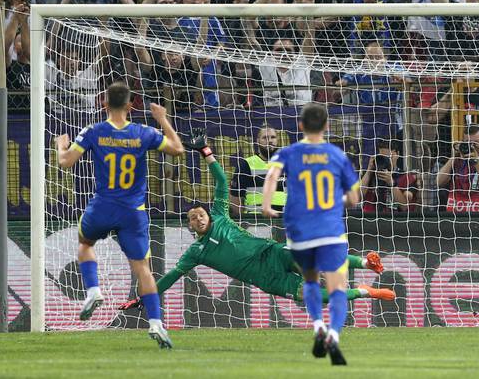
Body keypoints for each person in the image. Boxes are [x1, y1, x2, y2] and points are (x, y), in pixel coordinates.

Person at [121, 129, 392, 312]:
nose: (199, 217)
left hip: (271, 254)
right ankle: (364, 291)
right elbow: (170, 277)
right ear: (190, 226)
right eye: (193, 218)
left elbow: (222, 182)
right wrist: (144, 298)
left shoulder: (220, 214)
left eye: (200, 213)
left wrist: (206, 152)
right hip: (265, 278)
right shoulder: (195, 252)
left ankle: (366, 262)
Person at [55, 82, 184, 348]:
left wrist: (61, 145)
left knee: (85, 243)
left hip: (103, 206)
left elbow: (66, 162)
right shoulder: (143, 132)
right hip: (133, 212)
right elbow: (177, 148)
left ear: (104, 103)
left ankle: (93, 290)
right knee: (142, 269)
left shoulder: (94, 131)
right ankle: (156, 324)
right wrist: (162, 119)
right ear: (130, 106)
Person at [262, 103, 360, 365]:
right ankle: (334, 336)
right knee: (338, 288)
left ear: (301, 126)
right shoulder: (337, 155)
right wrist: (336, 198)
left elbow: (271, 176)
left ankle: (317, 324)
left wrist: (266, 205)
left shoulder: (289, 152)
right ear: (327, 126)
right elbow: (354, 198)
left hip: (300, 231)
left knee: (310, 280)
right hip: (330, 231)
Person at [437, 124, 479, 213]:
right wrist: (455, 156)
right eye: (468, 143)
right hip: (456, 213)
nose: (472, 146)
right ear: (463, 142)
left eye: (476, 143)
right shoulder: (456, 161)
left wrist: (476, 161)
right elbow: (439, 181)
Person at [230, 125, 285, 216]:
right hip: (257, 221)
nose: (270, 141)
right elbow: (235, 196)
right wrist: (245, 219)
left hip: (285, 220)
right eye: (265, 138)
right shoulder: (246, 164)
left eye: (273, 137)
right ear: (258, 141)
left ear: (277, 140)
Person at [361, 139, 418, 213]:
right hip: (369, 218)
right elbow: (358, 197)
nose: (386, 160)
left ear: (397, 154)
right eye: (382, 157)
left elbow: (404, 206)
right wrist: (369, 171)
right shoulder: (370, 175)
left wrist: (392, 183)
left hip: (394, 220)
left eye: (388, 157)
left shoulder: (406, 177)